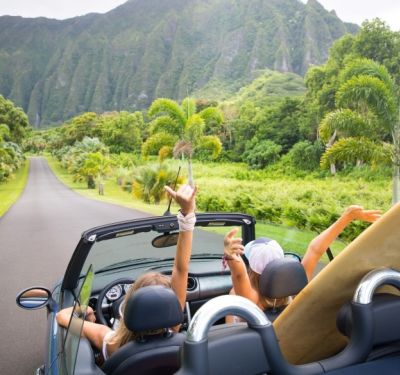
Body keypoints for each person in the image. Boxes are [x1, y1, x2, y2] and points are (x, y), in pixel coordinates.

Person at [56, 183, 197, 360]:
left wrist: (83, 308)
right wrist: (187, 214)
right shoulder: (176, 331)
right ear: (170, 307)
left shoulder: (111, 342)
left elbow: (62, 317)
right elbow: (181, 269)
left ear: (128, 307)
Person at [223, 205, 382, 320]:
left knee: (231, 297)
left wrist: (231, 257)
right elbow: (315, 250)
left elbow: (239, 276)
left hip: (257, 354)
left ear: (252, 266)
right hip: (291, 353)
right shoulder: (296, 287)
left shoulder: (251, 299)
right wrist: (347, 217)